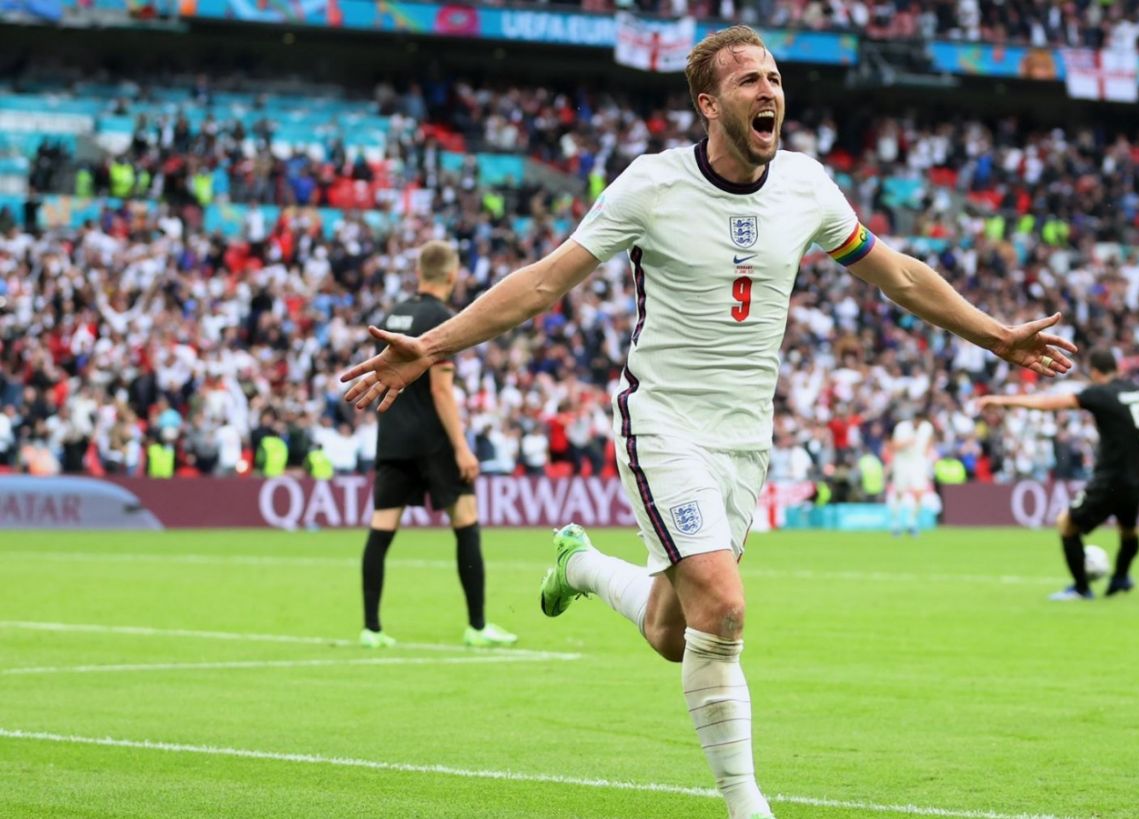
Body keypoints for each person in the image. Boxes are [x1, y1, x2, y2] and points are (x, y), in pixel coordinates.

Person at [341, 26, 1075, 819]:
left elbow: (896, 273)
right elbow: (544, 282)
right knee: (723, 606)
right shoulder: (651, 185)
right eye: (749, 80)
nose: (769, 91)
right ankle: (745, 802)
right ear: (708, 104)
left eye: (775, 78)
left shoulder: (806, 185)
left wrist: (996, 335)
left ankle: (582, 566)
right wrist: (432, 345)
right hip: (662, 421)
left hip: (745, 439)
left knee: (673, 630)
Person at [358, 240, 517, 650]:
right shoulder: (441, 319)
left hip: (393, 435)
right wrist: (462, 447)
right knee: (465, 522)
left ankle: (371, 629)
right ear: (452, 275)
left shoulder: (393, 315)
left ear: (418, 272)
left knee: (381, 529)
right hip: (433, 439)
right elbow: (441, 390)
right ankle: (477, 626)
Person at [979, 348, 1139, 599]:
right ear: (1117, 368)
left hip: (1112, 477)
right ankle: (1120, 577)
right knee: (1128, 529)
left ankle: (1081, 588)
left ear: (1095, 372)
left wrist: (1002, 401)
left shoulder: (1099, 394)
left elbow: (1049, 404)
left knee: (1067, 524)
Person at [884, 414, 935, 536]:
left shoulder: (927, 427)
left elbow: (929, 442)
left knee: (919, 492)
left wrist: (926, 458)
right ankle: (895, 523)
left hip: (918, 462)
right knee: (899, 493)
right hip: (902, 461)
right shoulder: (902, 427)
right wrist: (907, 442)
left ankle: (912, 522)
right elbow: (894, 446)